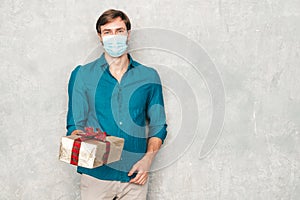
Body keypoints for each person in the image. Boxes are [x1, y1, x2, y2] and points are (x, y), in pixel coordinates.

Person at [66, 9, 167, 200]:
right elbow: (74, 126)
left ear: (128, 34)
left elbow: (158, 126)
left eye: (119, 31)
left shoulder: (149, 76)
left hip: (135, 175)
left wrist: (148, 160)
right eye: (108, 32)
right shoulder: (82, 75)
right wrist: (97, 144)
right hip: (96, 176)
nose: (114, 37)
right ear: (100, 37)